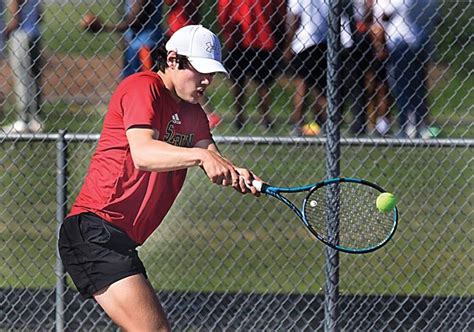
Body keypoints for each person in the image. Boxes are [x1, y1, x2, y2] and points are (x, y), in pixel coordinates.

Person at [58, 25, 261, 331]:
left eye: (213, 72)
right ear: (174, 60)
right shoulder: (143, 87)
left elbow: (212, 159)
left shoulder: (194, 113)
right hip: (94, 230)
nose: (207, 80)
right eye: (200, 70)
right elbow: (143, 152)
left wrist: (235, 173)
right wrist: (201, 156)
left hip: (119, 240)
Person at [374, 0, 440, 138]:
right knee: (418, 86)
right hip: (421, 39)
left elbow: (384, 15)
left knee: (402, 87)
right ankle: (420, 125)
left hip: (402, 42)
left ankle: (406, 126)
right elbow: (436, 17)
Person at [217, 0, 287, 130]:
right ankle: (261, 118)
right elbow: (279, 12)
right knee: (260, 83)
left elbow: (223, 11)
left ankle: (242, 118)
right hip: (259, 37)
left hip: (242, 37)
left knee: (244, 83)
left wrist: (226, 31)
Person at [163, 0, 222, 129]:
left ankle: (207, 114)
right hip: (184, 31)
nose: (208, 80)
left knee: (191, 82)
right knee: (189, 83)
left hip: (180, 32)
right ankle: (207, 113)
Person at [80, 0, 163, 78]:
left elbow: (134, 21)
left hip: (145, 45)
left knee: (145, 81)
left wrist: (104, 27)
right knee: (133, 82)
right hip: (138, 44)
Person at [285, 0, 328, 136]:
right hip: (322, 41)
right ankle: (324, 123)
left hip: (303, 42)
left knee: (302, 83)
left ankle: (297, 122)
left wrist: (288, 43)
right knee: (320, 86)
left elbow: (295, 18)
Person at [2, 0, 43, 134]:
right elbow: (41, 15)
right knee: (34, 77)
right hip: (35, 32)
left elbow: (16, 4)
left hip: (21, 34)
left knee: (22, 77)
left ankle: (24, 119)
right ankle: (35, 119)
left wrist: (7, 29)